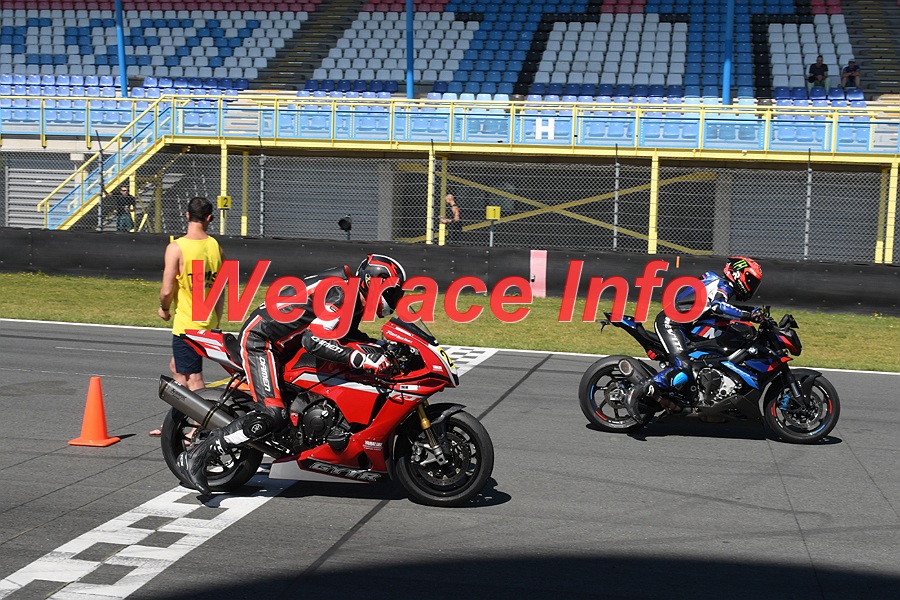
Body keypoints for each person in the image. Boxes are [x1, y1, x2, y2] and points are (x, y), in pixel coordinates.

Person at [175, 254, 407, 495]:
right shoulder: (343, 294)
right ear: (372, 282)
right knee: (272, 413)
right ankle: (197, 456)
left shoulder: (354, 297)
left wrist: (382, 346)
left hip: (285, 345)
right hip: (261, 341)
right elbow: (313, 339)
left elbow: (345, 335)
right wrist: (360, 358)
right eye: (391, 293)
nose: (394, 300)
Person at [624, 256, 764, 424]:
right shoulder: (723, 285)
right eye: (750, 280)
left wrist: (754, 312)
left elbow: (724, 306)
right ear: (737, 273)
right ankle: (638, 391)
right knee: (683, 367)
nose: (752, 286)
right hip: (671, 323)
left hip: (683, 326)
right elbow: (718, 306)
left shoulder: (721, 286)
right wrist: (749, 315)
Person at [154, 197, 224, 436]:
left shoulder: (177, 247)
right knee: (177, 368)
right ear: (209, 218)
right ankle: (175, 424)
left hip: (187, 324)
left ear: (186, 215)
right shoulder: (216, 247)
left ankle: (199, 428)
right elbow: (220, 288)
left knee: (194, 378)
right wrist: (217, 319)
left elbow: (166, 290)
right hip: (207, 321)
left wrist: (164, 308)